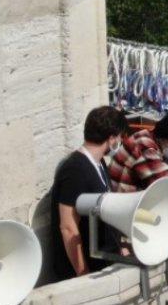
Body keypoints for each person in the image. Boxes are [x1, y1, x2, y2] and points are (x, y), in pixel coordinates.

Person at [50, 106, 129, 279]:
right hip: (88, 271)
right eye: (120, 137)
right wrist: (82, 272)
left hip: (104, 261)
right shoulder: (74, 169)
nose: (120, 142)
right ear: (111, 138)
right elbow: (68, 226)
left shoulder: (99, 163)